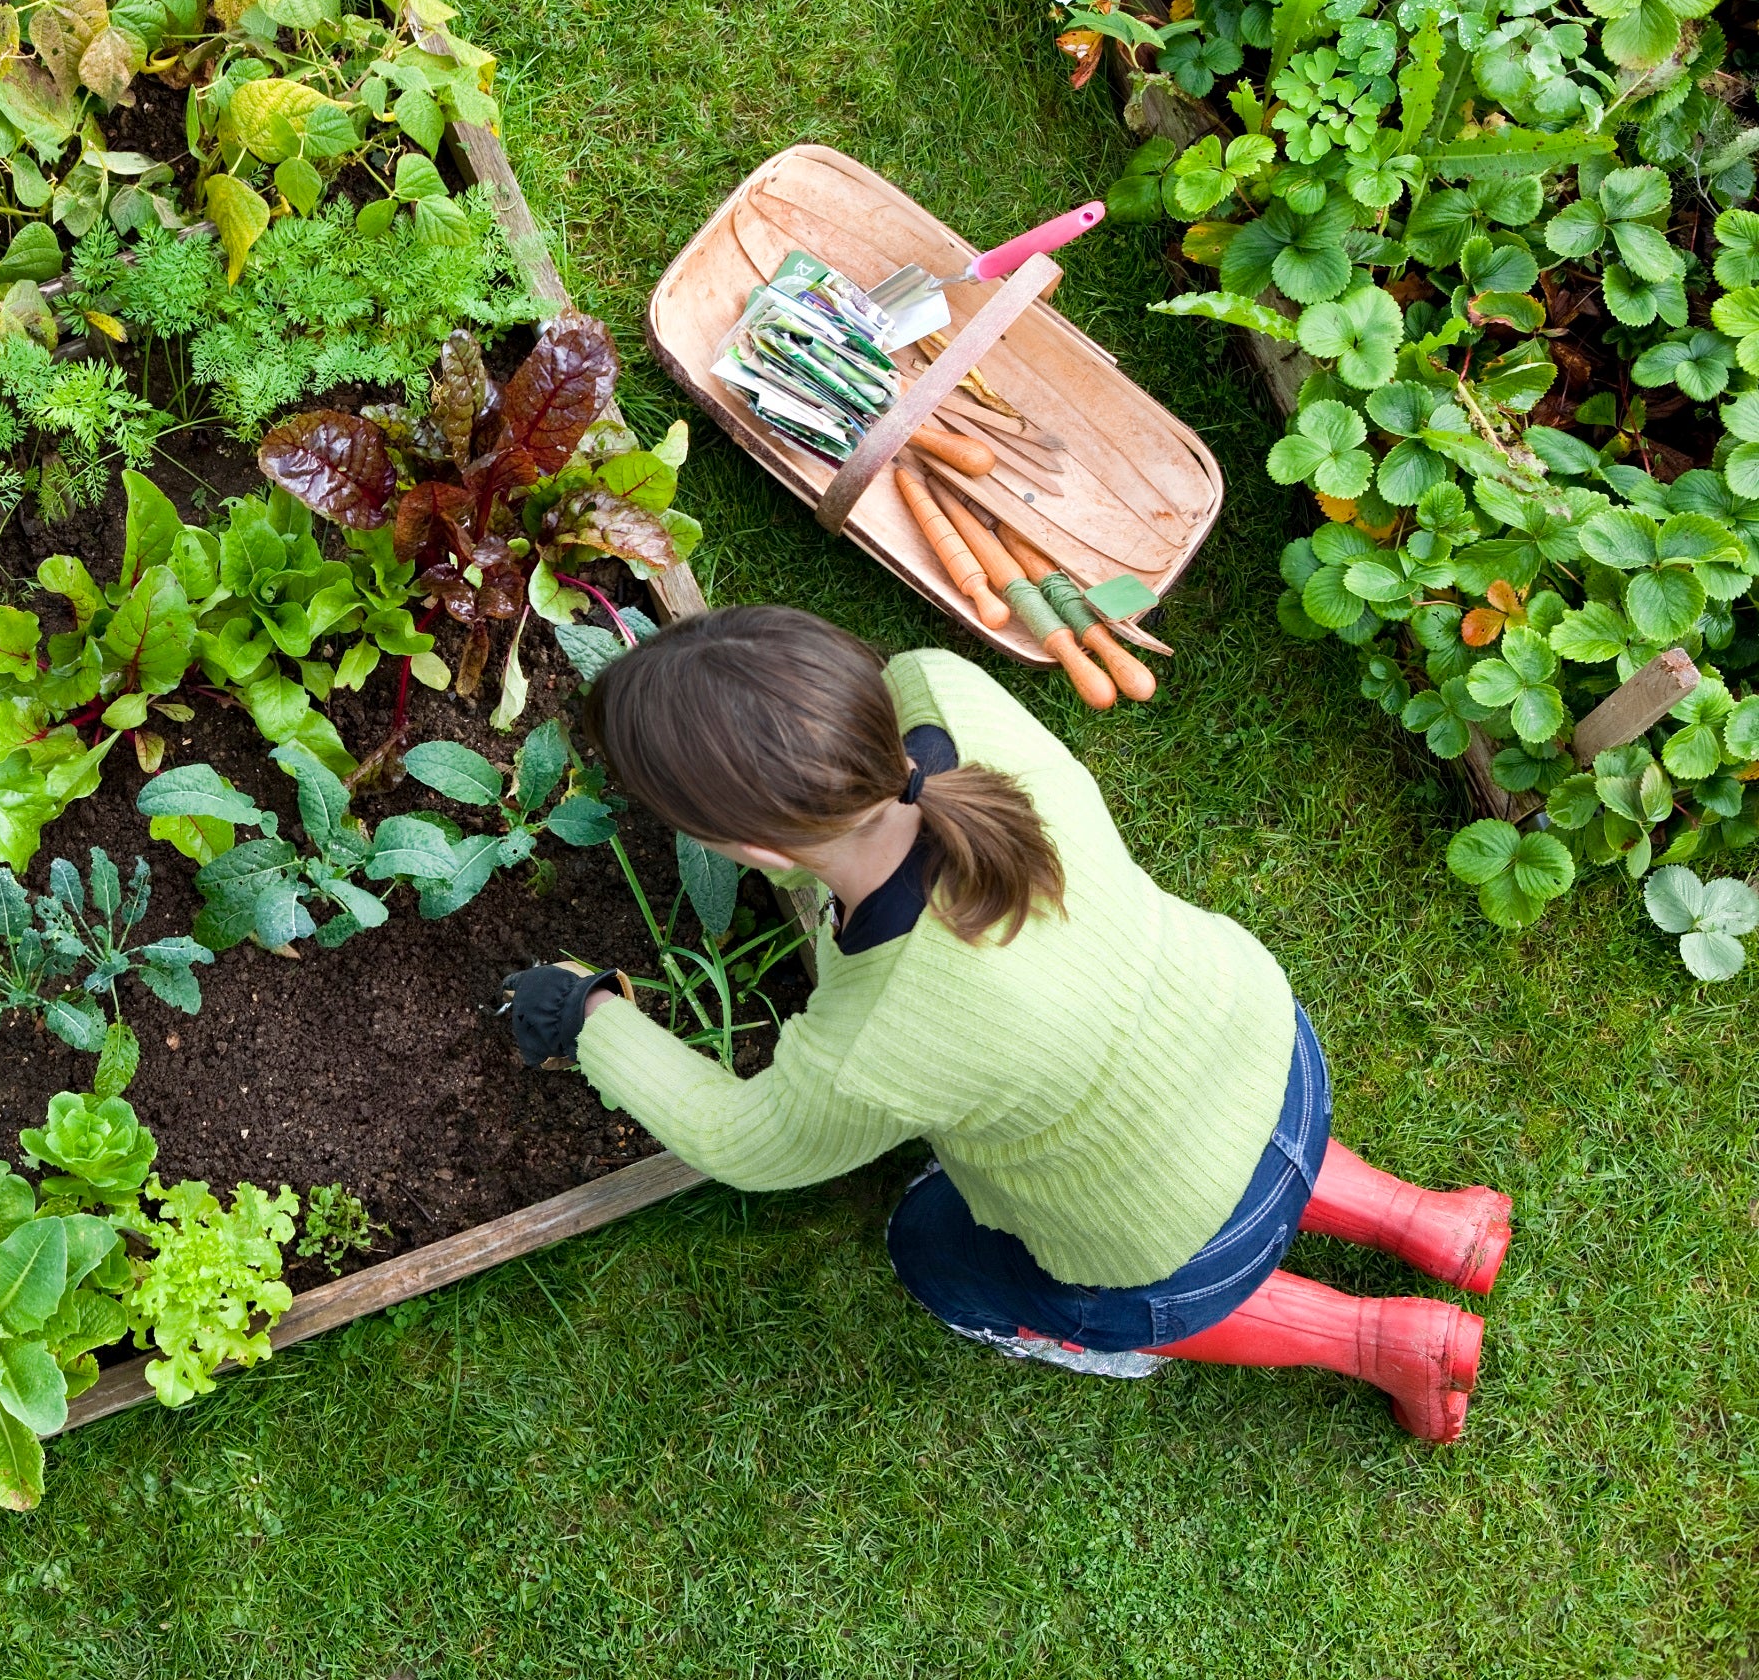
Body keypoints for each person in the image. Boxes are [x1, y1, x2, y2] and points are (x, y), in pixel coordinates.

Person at [500, 606, 1511, 1440]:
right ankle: (1433, 1222)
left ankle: (1381, 1339)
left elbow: (742, 1140)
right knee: (1194, 1125)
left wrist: (588, 1016)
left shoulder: (877, 1037)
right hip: (1264, 1043)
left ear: (755, 850)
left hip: (1171, 1238)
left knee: (933, 1248)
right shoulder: (944, 690)